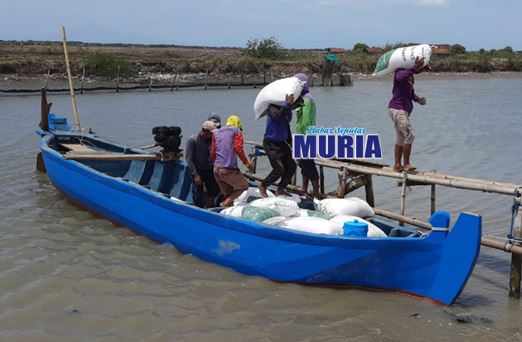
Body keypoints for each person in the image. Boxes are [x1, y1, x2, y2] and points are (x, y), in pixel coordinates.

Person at [258, 91, 303, 198]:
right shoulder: (272, 107)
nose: (295, 107)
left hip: (282, 143)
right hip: (271, 144)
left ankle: (281, 189)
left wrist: (294, 147)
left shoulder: (288, 111)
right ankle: (263, 185)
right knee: (279, 169)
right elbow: (277, 116)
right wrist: (287, 104)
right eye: (296, 105)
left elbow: (286, 128)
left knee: (292, 166)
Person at [388, 57, 428, 172]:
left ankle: (397, 165)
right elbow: (403, 76)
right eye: (418, 66)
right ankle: (406, 164)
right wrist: (415, 67)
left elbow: (410, 93)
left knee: (401, 137)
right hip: (398, 109)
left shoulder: (409, 75)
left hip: (401, 110)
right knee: (410, 134)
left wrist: (418, 99)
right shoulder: (400, 72)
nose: (419, 69)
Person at [210, 115, 254, 207]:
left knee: (229, 193)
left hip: (216, 169)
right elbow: (238, 148)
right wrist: (247, 164)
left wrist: (217, 165)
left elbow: (213, 151)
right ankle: (224, 204)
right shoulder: (236, 131)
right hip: (228, 169)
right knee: (244, 186)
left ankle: (226, 211)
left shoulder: (216, 133)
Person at [294, 73, 320, 198]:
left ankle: (316, 192)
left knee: (308, 164)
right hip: (302, 136)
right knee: (303, 165)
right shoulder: (302, 99)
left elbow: (305, 121)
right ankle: (304, 188)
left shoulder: (307, 100)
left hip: (305, 137)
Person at [185, 120, 220, 208]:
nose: (213, 135)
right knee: (198, 193)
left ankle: (209, 209)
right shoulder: (193, 140)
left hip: (210, 169)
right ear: (205, 131)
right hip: (197, 169)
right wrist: (195, 174)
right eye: (211, 133)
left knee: (214, 191)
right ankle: (198, 209)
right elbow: (189, 159)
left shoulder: (213, 141)